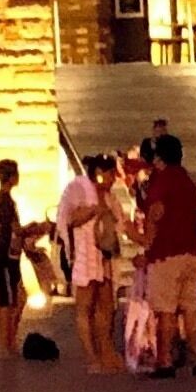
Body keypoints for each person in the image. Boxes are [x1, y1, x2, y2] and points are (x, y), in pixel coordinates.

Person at [136, 132, 196, 377]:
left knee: (165, 310)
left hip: (167, 253)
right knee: (191, 307)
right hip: (191, 250)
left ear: (159, 157)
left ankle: (164, 360)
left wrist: (145, 244)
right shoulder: (187, 181)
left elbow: (156, 214)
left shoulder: (162, 182)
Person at [55, 152, 123, 371]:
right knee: (85, 306)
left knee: (107, 305)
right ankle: (92, 357)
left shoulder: (111, 197)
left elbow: (121, 224)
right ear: (99, 173)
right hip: (85, 255)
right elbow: (70, 219)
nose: (113, 178)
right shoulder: (80, 189)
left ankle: (106, 350)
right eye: (110, 173)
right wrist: (94, 210)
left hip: (104, 257)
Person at [0, 158, 51, 358]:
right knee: (7, 300)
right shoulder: (5, 200)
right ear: (11, 177)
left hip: (10, 257)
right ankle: (6, 343)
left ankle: (10, 338)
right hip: (4, 258)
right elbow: (14, 229)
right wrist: (34, 228)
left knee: (18, 296)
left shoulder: (5, 199)